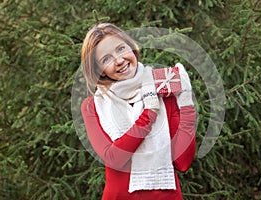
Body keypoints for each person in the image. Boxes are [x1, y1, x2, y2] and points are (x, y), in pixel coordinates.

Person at [80, 23, 196, 200]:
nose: (119, 60)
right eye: (106, 59)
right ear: (99, 70)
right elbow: (115, 158)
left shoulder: (163, 90)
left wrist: (186, 104)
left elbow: (183, 162)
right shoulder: (93, 106)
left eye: (120, 49)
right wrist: (149, 113)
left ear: (131, 47)